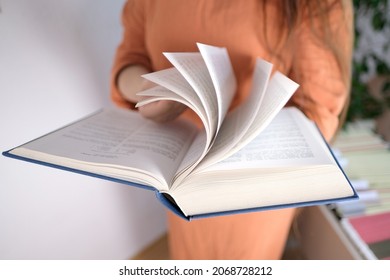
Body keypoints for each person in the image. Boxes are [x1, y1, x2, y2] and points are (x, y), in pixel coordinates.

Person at [110, 0, 354, 259]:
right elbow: (131, 57)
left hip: (251, 188)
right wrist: (150, 90)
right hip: (178, 176)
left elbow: (317, 111)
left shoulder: (314, 6)